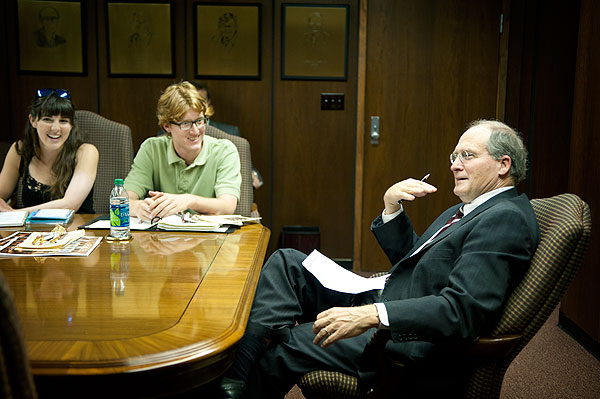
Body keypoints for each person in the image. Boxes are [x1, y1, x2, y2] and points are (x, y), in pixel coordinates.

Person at [213, 120, 541, 398]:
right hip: (390, 296)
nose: (454, 164)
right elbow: (417, 264)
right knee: (288, 263)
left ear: (503, 164)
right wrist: (391, 209)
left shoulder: (504, 218)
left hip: (408, 339)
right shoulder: (470, 209)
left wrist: (372, 314)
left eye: (467, 156)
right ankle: (238, 374)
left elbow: (462, 310)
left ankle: (236, 380)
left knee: (293, 342)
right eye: (454, 156)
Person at [125, 81, 241, 222]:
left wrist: (188, 200)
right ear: (166, 126)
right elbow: (121, 200)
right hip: (161, 240)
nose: (196, 131)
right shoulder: (151, 149)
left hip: (209, 241)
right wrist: (138, 207)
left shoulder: (225, 150)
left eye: (199, 120)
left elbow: (227, 206)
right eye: (186, 124)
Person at [0, 89, 98, 213]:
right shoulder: (20, 150)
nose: (56, 128)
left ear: (72, 125)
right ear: (33, 120)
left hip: (77, 230)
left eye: (63, 121)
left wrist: (16, 214)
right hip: (31, 231)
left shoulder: (86, 152)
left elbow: (70, 204)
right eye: (47, 119)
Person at [192, 81, 263, 189]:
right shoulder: (166, 136)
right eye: (192, 102)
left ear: (209, 102)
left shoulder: (230, 132)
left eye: (201, 101)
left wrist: (252, 175)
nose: (197, 106)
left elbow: (245, 166)